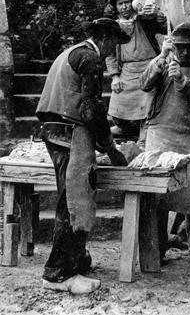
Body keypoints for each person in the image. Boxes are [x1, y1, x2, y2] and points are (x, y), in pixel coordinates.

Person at [36, 17, 129, 292]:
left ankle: (77, 259)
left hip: (52, 131)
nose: (114, 49)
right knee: (74, 203)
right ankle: (58, 274)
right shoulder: (91, 59)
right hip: (71, 134)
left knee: (70, 198)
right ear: (104, 38)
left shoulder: (68, 53)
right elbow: (90, 110)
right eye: (113, 42)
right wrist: (111, 148)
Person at [139, 22, 190, 265]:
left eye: (189, 47)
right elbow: (144, 84)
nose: (183, 52)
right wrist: (160, 59)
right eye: (179, 47)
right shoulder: (163, 62)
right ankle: (157, 250)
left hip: (188, 135)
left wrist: (182, 79)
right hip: (160, 134)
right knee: (158, 194)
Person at [105, 0, 168, 140]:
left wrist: (158, 15)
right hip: (127, 70)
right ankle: (125, 128)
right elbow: (110, 53)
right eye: (120, 4)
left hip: (149, 67)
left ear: (132, 4)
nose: (124, 6)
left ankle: (146, 133)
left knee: (148, 102)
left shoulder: (144, 20)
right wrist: (114, 76)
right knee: (118, 102)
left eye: (127, 2)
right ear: (116, 7)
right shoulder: (113, 26)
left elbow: (163, 27)